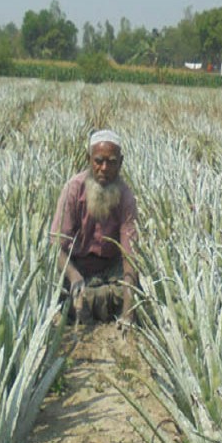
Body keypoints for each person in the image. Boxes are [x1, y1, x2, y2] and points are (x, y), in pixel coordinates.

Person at [51, 129, 138, 325]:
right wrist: (73, 276)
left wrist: (128, 310)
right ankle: (89, 302)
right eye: (99, 161)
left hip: (109, 269)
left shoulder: (125, 197)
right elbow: (56, 246)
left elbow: (130, 255)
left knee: (135, 291)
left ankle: (92, 303)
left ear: (120, 162)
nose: (104, 168)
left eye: (112, 162)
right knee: (56, 288)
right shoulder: (74, 188)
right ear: (88, 159)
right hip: (76, 266)